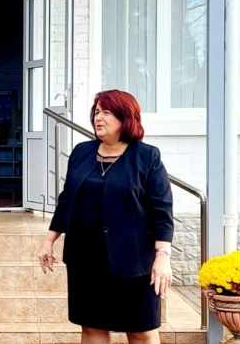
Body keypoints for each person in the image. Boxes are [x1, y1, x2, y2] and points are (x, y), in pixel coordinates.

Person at [38, 89, 173, 344]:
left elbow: (162, 210)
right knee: (92, 328)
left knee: (141, 331)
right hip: (86, 259)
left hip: (134, 262)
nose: (98, 117)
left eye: (107, 112)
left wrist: (162, 256)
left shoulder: (146, 157)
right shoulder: (81, 152)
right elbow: (66, 200)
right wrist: (49, 241)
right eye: (96, 112)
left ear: (126, 117)